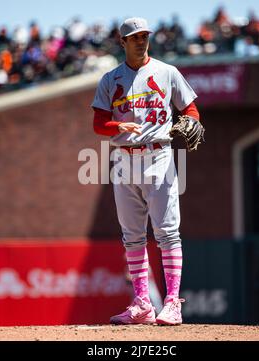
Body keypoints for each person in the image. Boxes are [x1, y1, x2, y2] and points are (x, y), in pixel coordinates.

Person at [92, 17, 201, 325]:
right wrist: (117, 125)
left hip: (159, 156)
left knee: (167, 232)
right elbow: (99, 124)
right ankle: (142, 303)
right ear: (122, 42)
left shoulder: (168, 72)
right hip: (123, 159)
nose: (141, 40)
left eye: (144, 36)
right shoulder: (111, 79)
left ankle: (172, 303)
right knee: (132, 236)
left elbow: (190, 107)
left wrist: (191, 120)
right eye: (134, 37)